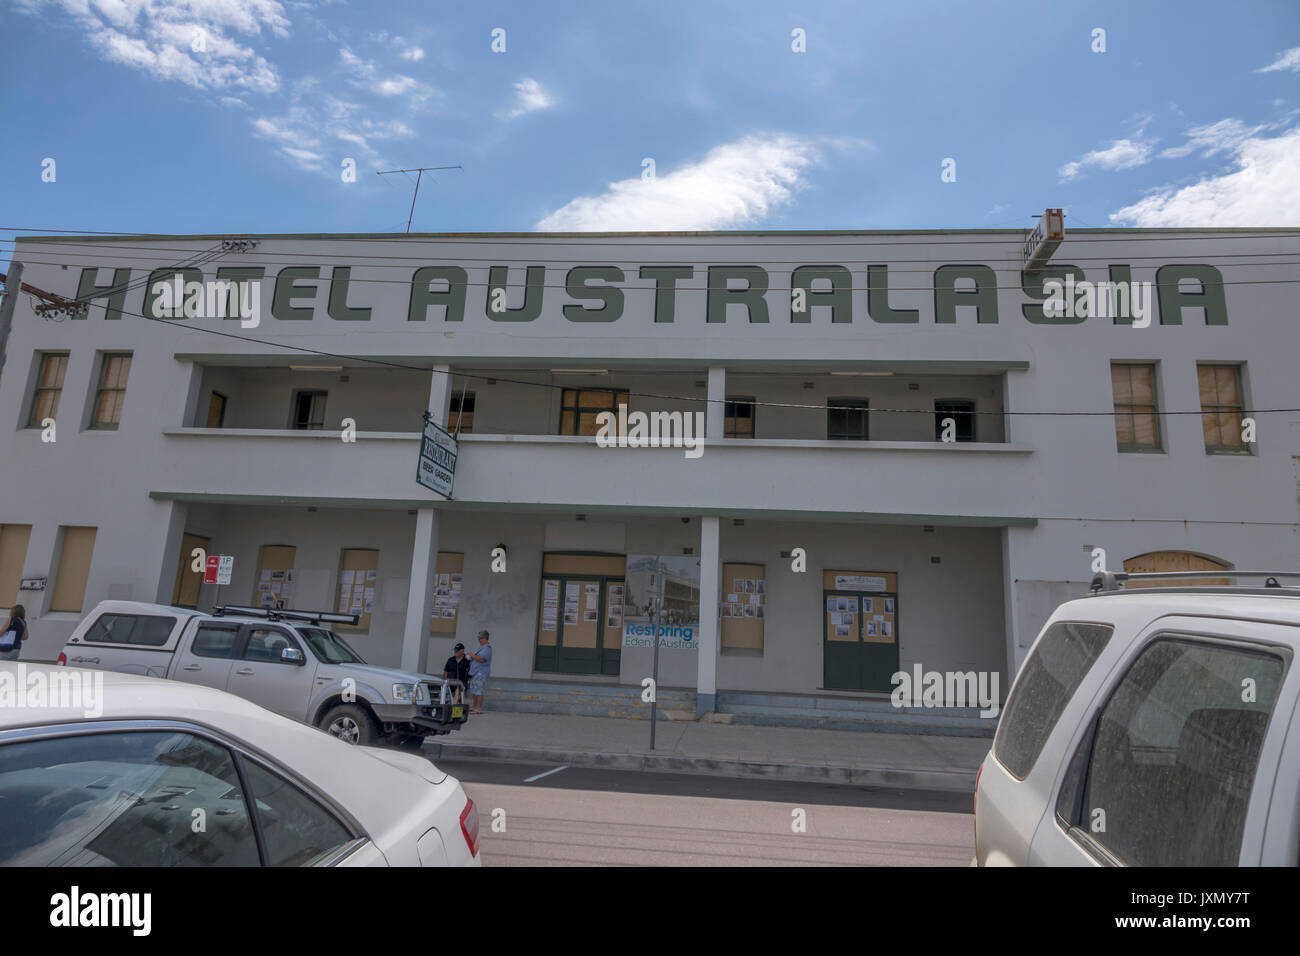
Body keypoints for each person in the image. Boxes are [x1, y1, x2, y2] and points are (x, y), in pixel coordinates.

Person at [466, 629, 492, 715]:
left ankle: (478, 708)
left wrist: (472, 655)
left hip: (481, 673)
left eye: (480, 638)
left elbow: (482, 659)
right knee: (474, 690)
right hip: (475, 672)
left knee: (479, 691)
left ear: (485, 639)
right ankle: (474, 707)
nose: (479, 640)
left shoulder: (487, 648)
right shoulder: (482, 648)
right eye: (478, 638)